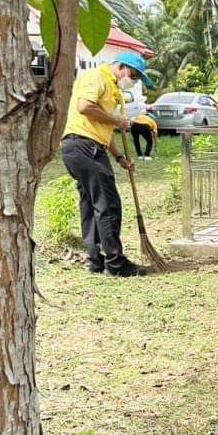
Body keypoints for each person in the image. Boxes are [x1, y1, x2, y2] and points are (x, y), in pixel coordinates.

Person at [59, 50, 155, 277]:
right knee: (108, 204)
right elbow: (84, 107)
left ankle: (97, 261)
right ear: (121, 67)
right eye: (133, 75)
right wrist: (116, 120)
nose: (134, 81)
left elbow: (103, 128)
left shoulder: (112, 87)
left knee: (91, 205)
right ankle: (116, 263)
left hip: (87, 147)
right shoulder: (96, 77)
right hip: (83, 146)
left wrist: (119, 157)